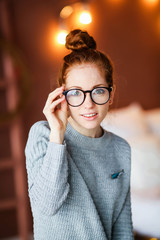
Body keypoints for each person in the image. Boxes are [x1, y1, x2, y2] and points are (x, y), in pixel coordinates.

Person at [25, 29, 134, 240]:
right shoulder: (42, 135)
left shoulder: (121, 149)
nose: (89, 103)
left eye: (99, 90)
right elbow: (47, 206)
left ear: (111, 94)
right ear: (62, 95)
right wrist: (58, 134)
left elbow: (122, 227)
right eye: (76, 93)